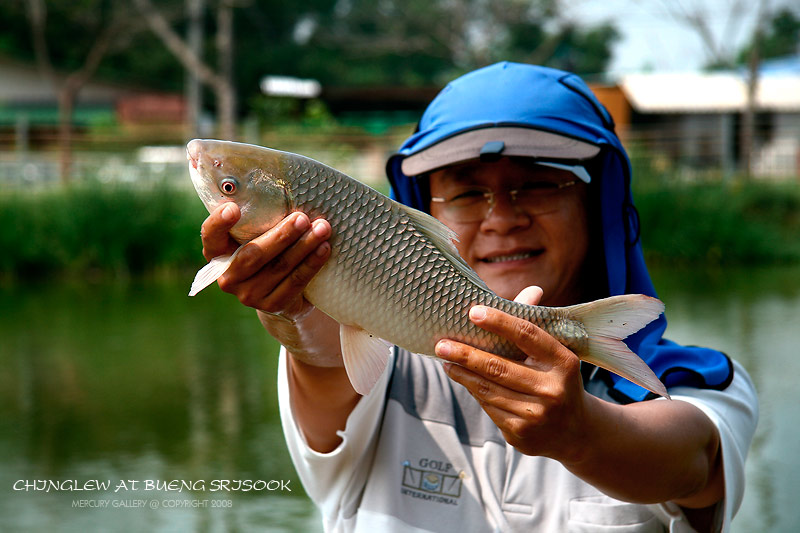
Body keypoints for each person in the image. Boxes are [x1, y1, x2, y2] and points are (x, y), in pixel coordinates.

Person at [199, 62, 758, 532]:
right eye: (467, 191)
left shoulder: (693, 378)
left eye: (539, 184)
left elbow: (694, 460)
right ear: (427, 211)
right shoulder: (391, 365)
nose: (503, 219)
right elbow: (322, 359)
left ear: (598, 206)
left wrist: (581, 432)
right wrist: (292, 308)